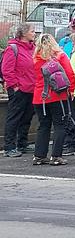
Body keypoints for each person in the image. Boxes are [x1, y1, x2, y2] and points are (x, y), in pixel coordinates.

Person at [30, 33, 75, 166]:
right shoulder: (60, 56)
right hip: (57, 96)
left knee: (43, 126)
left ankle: (39, 156)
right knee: (60, 125)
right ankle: (56, 156)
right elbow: (70, 74)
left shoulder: (35, 58)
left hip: (40, 97)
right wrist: (71, 90)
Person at [3, 23, 37, 158]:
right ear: (23, 33)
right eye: (32, 31)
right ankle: (9, 146)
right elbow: (7, 70)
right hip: (19, 89)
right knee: (14, 117)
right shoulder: (13, 49)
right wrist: (15, 86)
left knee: (27, 117)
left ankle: (22, 143)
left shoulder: (33, 48)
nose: (34, 33)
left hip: (31, 88)